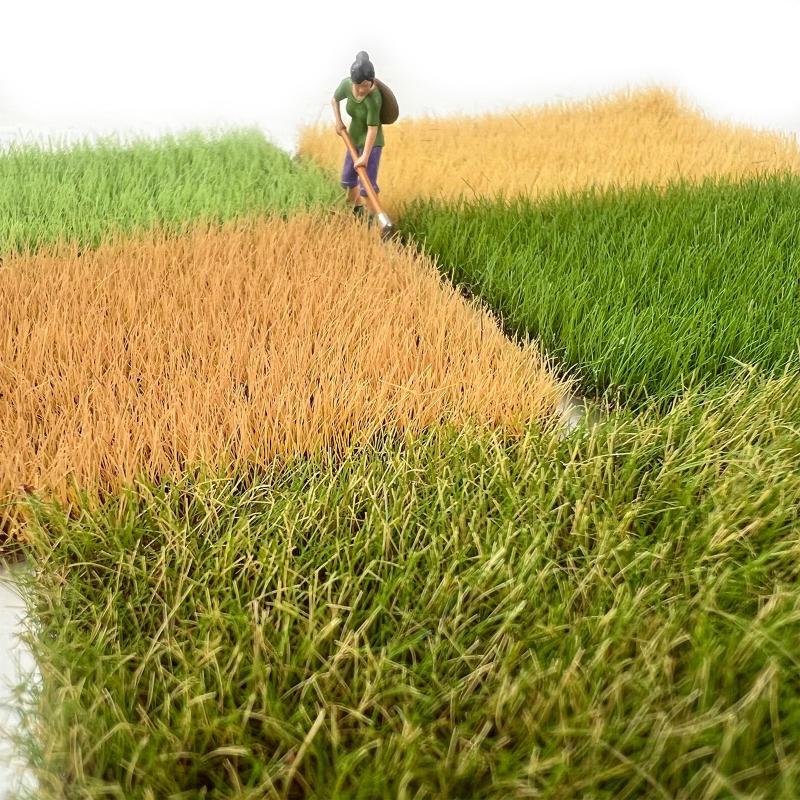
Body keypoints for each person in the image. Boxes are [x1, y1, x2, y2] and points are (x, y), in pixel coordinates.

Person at [331, 51, 384, 220]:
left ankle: (374, 219)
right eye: (358, 86)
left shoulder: (374, 99)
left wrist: (365, 157)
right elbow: (334, 100)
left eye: (366, 86)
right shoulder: (346, 85)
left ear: (372, 82)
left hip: (372, 143)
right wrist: (339, 122)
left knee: (367, 185)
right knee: (347, 180)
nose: (362, 90)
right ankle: (355, 211)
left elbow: (372, 129)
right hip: (353, 138)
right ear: (353, 82)